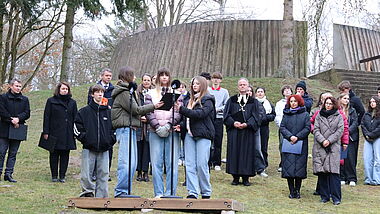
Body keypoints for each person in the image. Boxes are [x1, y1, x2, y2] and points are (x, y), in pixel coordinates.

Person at [111, 67, 162, 198]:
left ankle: (126, 191)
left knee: (132, 163)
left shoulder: (129, 91)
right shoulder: (123, 92)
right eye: (133, 76)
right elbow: (136, 109)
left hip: (132, 128)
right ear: (127, 77)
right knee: (126, 162)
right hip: (124, 129)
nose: (135, 78)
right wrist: (154, 106)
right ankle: (121, 192)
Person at [145, 68, 182, 197]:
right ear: (158, 78)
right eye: (162, 75)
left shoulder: (176, 93)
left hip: (171, 131)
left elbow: (178, 112)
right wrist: (157, 127)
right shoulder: (150, 93)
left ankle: (171, 193)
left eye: (167, 75)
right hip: (155, 131)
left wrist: (168, 125)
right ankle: (159, 193)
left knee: (172, 163)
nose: (164, 77)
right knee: (156, 163)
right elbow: (148, 112)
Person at [177, 76, 215, 199]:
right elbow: (187, 119)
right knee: (190, 164)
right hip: (189, 135)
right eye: (193, 84)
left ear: (203, 85)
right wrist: (181, 126)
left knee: (201, 164)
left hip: (203, 135)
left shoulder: (208, 100)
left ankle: (205, 192)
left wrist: (181, 109)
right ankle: (192, 192)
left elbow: (200, 114)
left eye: (197, 84)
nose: (194, 86)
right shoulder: (189, 100)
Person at [74, 85, 115, 198]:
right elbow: (77, 127)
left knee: (104, 173)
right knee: (87, 173)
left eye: (102, 92)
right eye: (97, 92)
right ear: (92, 94)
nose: (100, 94)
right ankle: (87, 193)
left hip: (105, 148)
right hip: (89, 148)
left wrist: (110, 140)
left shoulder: (108, 112)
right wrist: (85, 139)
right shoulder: (83, 112)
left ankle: (102, 196)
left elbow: (114, 129)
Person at [224, 78, 264, 186]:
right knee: (234, 152)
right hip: (234, 132)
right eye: (240, 84)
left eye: (244, 84)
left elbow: (257, 116)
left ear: (248, 86)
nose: (242, 86)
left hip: (248, 132)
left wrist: (248, 124)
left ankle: (246, 178)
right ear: (238, 87)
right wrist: (233, 123)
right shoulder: (231, 100)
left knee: (247, 154)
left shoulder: (253, 101)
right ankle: (235, 177)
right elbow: (226, 115)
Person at [43, 82, 78, 183]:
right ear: (58, 90)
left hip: (68, 133)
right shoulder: (51, 101)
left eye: (66, 89)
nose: (65, 91)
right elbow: (46, 117)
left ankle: (62, 175)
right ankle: (54, 175)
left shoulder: (72, 102)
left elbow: (76, 118)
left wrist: (75, 132)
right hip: (54, 131)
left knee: (65, 154)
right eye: (63, 89)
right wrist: (46, 132)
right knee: (54, 154)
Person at [313, 97, 344, 205]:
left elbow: (340, 130)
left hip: (333, 147)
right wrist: (322, 140)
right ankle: (324, 196)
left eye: (330, 104)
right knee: (322, 173)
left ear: (334, 105)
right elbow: (315, 129)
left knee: (333, 173)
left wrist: (329, 141)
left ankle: (336, 198)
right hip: (320, 147)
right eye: (326, 103)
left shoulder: (338, 116)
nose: (328, 105)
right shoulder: (319, 115)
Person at [280, 94, 310, 199]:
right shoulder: (286, 114)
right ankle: (291, 190)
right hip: (289, 143)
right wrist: (290, 136)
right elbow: (282, 127)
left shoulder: (305, 114)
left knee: (299, 169)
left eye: (295, 101)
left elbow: (307, 128)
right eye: (291, 101)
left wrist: (297, 137)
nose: (293, 103)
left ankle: (297, 190)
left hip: (300, 144)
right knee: (289, 169)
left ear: (299, 102)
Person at [87, 68, 115, 181]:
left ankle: (106, 172)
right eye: (106, 75)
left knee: (108, 147)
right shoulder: (94, 88)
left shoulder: (113, 89)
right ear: (101, 76)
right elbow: (89, 103)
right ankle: (94, 172)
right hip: (95, 118)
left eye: (110, 76)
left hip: (108, 117)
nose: (108, 77)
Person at [0, 79, 30, 183]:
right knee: (1, 152)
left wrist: (18, 118)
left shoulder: (24, 99)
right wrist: (11, 119)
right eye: (16, 86)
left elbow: (27, 113)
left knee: (13, 153)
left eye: (19, 86)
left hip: (17, 129)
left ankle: (8, 174)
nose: (18, 88)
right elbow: (2, 111)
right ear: (11, 86)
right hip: (4, 129)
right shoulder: (3, 97)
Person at [208, 72, 229, 171]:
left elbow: (227, 104)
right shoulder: (207, 90)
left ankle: (217, 162)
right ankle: (208, 161)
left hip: (219, 118)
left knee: (218, 139)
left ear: (220, 80)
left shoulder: (224, 92)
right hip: (208, 117)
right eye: (214, 78)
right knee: (208, 140)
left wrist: (218, 109)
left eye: (218, 78)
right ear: (211, 79)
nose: (216, 80)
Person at [135, 74, 154, 182]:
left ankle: (145, 172)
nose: (146, 82)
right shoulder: (137, 93)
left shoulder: (154, 93)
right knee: (139, 148)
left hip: (149, 124)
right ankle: (138, 171)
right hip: (139, 124)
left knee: (147, 149)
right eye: (144, 80)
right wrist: (140, 116)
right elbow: (134, 107)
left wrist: (148, 118)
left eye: (148, 80)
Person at [338, 93, 359, 186]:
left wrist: (347, 131)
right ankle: (342, 177)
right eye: (344, 98)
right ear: (340, 99)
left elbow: (355, 122)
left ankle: (351, 178)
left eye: (348, 99)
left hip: (350, 137)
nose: (346, 100)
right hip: (339, 137)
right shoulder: (337, 111)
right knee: (342, 157)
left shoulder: (352, 111)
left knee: (350, 157)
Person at [255, 87, 275, 171]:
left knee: (264, 146)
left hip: (264, 127)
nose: (260, 93)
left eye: (261, 92)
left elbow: (273, 115)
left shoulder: (268, 104)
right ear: (255, 94)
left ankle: (264, 164)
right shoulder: (253, 103)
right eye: (258, 92)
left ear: (264, 93)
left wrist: (265, 118)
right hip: (255, 127)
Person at [361, 96, 380, 185]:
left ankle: (376, 179)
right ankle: (368, 178)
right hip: (368, 138)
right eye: (371, 101)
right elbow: (363, 124)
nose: (372, 103)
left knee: (377, 159)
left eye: (374, 101)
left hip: (377, 138)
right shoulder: (367, 114)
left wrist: (372, 135)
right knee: (367, 159)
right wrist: (367, 135)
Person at [274, 85, 292, 172]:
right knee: (282, 145)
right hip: (283, 128)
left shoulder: (295, 101)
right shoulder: (279, 103)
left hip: (293, 128)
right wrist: (282, 125)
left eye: (289, 90)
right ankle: (283, 163)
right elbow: (277, 116)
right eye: (285, 90)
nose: (287, 91)